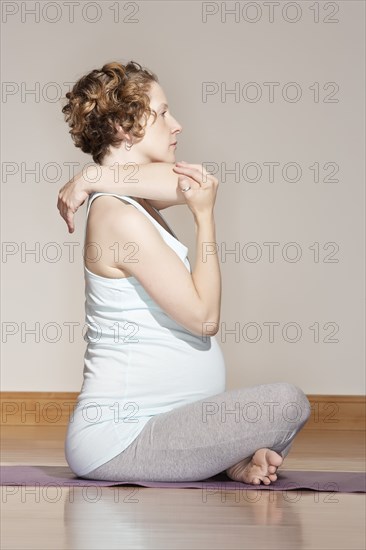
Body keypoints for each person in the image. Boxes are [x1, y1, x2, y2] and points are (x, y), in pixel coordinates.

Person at [60, 60, 311, 484]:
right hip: (121, 438)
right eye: (161, 113)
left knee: (285, 405)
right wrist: (205, 220)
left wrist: (91, 173)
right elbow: (204, 318)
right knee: (287, 402)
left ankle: (226, 458)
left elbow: (197, 182)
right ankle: (226, 457)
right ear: (125, 124)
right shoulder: (116, 216)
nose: (176, 125)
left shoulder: (132, 201)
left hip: (167, 426)